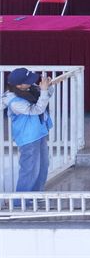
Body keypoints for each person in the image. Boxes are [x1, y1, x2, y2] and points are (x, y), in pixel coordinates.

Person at [2, 68, 53, 197]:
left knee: (43, 166)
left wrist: (48, 87)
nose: (32, 82)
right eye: (28, 81)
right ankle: (20, 202)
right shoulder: (13, 100)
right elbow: (37, 109)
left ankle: (36, 196)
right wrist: (44, 91)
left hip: (39, 133)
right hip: (28, 138)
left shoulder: (29, 89)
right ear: (19, 85)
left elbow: (45, 96)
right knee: (29, 170)